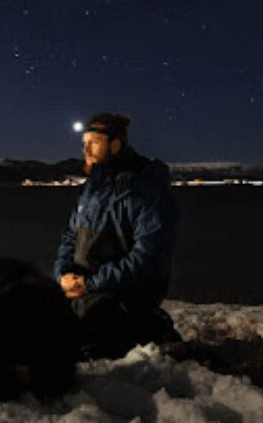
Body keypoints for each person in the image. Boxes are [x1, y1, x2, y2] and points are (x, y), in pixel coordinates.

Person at [54, 112, 181, 359]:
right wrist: (63, 273)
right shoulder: (94, 187)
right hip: (83, 291)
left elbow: (149, 258)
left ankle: (151, 327)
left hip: (121, 296)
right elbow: (71, 235)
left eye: (95, 142)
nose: (86, 149)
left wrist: (90, 283)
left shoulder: (145, 191)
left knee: (70, 346)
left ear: (115, 144)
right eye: (84, 142)